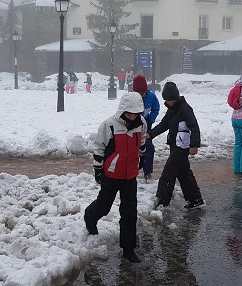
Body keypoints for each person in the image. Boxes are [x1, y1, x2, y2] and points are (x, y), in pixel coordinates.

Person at [84, 92, 147, 263]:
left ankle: (128, 249)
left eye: (136, 113)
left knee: (129, 213)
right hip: (111, 175)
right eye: (129, 113)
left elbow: (141, 144)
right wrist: (98, 170)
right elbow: (98, 148)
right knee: (103, 207)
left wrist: (140, 159)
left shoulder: (141, 124)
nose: (133, 116)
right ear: (122, 111)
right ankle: (90, 216)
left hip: (130, 176)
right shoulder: (109, 125)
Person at [149, 81, 206, 209]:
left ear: (173, 98)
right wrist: (150, 134)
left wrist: (194, 145)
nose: (166, 102)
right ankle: (196, 199)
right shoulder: (172, 110)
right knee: (183, 172)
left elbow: (194, 127)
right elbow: (164, 125)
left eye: (168, 100)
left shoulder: (185, 109)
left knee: (169, 171)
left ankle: (162, 200)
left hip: (182, 147)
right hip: (175, 145)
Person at [131, 75, 159, 182]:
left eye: (143, 93)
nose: (141, 95)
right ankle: (132, 170)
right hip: (132, 126)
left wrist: (151, 119)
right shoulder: (130, 98)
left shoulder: (152, 97)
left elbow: (156, 108)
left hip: (146, 125)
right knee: (132, 149)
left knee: (149, 148)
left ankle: (148, 172)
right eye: (138, 93)